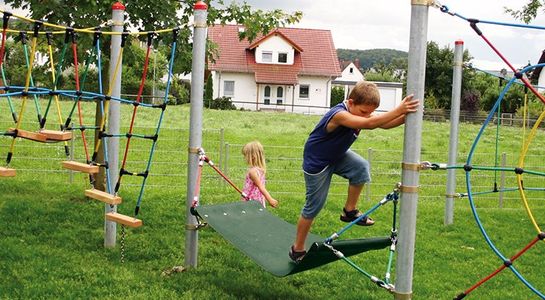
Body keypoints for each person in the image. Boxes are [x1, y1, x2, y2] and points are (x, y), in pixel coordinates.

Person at [289, 81, 419, 262]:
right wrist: (398, 109)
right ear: (350, 102)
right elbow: (372, 123)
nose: (367, 115)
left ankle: (349, 211)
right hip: (317, 164)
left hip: (337, 155)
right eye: (364, 112)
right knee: (314, 206)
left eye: (369, 112)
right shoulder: (339, 115)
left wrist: (407, 117)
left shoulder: (358, 111)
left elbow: (383, 123)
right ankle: (297, 249)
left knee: (361, 168)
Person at [241, 141, 279, 208]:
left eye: (245, 155)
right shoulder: (260, 169)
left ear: (252, 156)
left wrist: (270, 199)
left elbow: (261, 187)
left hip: (251, 201)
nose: (244, 158)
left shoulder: (252, 172)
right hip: (257, 199)